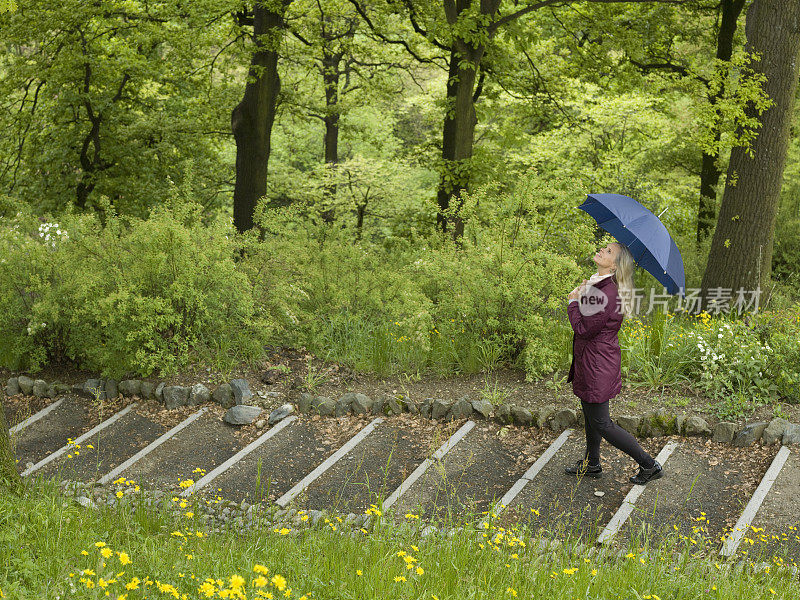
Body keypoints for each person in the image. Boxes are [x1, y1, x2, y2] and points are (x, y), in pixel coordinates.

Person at [564, 241, 663, 485]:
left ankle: (650, 465)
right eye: (604, 248)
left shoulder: (606, 293)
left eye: (608, 252)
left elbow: (583, 328)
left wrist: (573, 302)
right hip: (593, 360)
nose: (601, 250)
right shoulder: (600, 286)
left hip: (597, 364)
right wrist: (585, 294)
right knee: (590, 415)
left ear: (616, 266)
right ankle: (592, 464)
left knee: (601, 422)